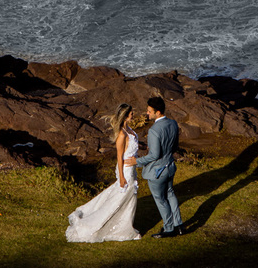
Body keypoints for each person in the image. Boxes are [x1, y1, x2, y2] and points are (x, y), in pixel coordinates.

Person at [65, 104, 141, 242]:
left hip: (132, 169)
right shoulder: (122, 135)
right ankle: (97, 225)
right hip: (126, 170)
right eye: (131, 112)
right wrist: (122, 177)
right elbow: (119, 156)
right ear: (125, 115)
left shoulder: (129, 130)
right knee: (121, 198)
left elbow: (134, 145)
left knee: (129, 199)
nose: (133, 114)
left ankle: (126, 226)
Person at [134, 95, 182, 238]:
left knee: (160, 199)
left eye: (149, 111)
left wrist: (136, 162)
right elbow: (175, 146)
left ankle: (168, 229)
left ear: (158, 112)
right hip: (170, 166)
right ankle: (179, 225)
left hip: (158, 172)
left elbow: (154, 155)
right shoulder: (173, 123)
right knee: (170, 194)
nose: (147, 113)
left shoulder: (154, 130)